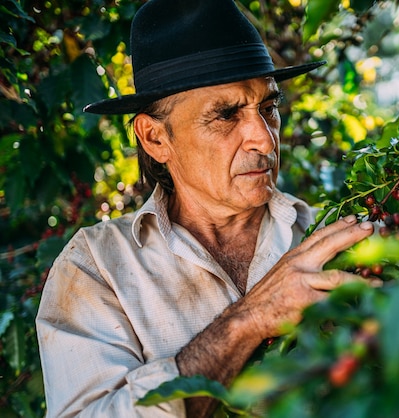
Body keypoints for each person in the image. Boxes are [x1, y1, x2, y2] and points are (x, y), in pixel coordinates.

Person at [35, 1, 378, 417]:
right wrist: (249, 320)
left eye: (268, 109)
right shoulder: (97, 266)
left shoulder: (329, 235)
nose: (265, 141)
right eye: (226, 115)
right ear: (155, 138)